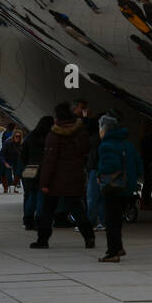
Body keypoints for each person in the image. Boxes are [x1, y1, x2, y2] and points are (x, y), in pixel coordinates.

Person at [32, 103, 96, 250]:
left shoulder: (54, 135)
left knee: (47, 210)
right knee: (76, 208)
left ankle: (43, 239)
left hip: (55, 178)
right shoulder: (81, 132)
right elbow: (86, 150)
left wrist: (44, 182)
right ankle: (89, 236)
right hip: (75, 175)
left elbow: (49, 161)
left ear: (57, 117)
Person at [93, 112, 142, 263]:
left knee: (111, 221)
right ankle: (119, 247)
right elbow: (139, 167)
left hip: (113, 187)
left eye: (100, 128)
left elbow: (109, 166)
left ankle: (112, 252)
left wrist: (99, 174)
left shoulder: (106, 145)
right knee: (118, 220)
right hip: (127, 187)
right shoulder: (128, 144)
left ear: (105, 129)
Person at [20, 116, 53, 230]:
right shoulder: (49, 137)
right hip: (44, 168)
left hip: (30, 168)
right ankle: (39, 220)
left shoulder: (30, 137)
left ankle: (28, 220)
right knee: (41, 196)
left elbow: (23, 155)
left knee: (31, 195)